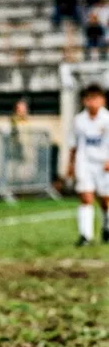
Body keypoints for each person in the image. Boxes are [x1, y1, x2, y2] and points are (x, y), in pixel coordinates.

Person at [68, 84, 109, 246]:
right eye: (89, 98)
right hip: (84, 162)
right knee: (86, 197)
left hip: (104, 164)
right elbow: (73, 145)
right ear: (85, 101)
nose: (93, 102)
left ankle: (106, 226)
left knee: (105, 200)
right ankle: (86, 236)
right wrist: (70, 166)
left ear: (102, 100)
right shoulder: (79, 121)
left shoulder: (107, 119)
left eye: (96, 98)